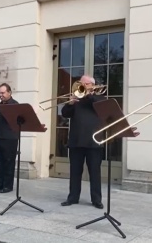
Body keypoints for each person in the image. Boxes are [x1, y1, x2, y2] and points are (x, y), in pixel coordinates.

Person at [60, 75, 106, 209]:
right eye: (81, 83)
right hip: (76, 141)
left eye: (85, 84)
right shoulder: (76, 99)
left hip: (94, 141)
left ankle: (96, 200)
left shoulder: (99, 97)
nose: (82, 85)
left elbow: (94, 102)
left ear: (92, 85)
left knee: (95, 173)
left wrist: (86, 94)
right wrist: (70, 103)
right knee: (75, 172)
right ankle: (73, 198)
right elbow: (65, 113)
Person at [0, 83, 19, 194]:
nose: (0, 95)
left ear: (9, 92)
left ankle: (8, 186)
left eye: (3, 93)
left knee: (8, 162)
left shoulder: (14, 104)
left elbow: (9, 117)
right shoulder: (0, 104)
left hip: (10, 138)